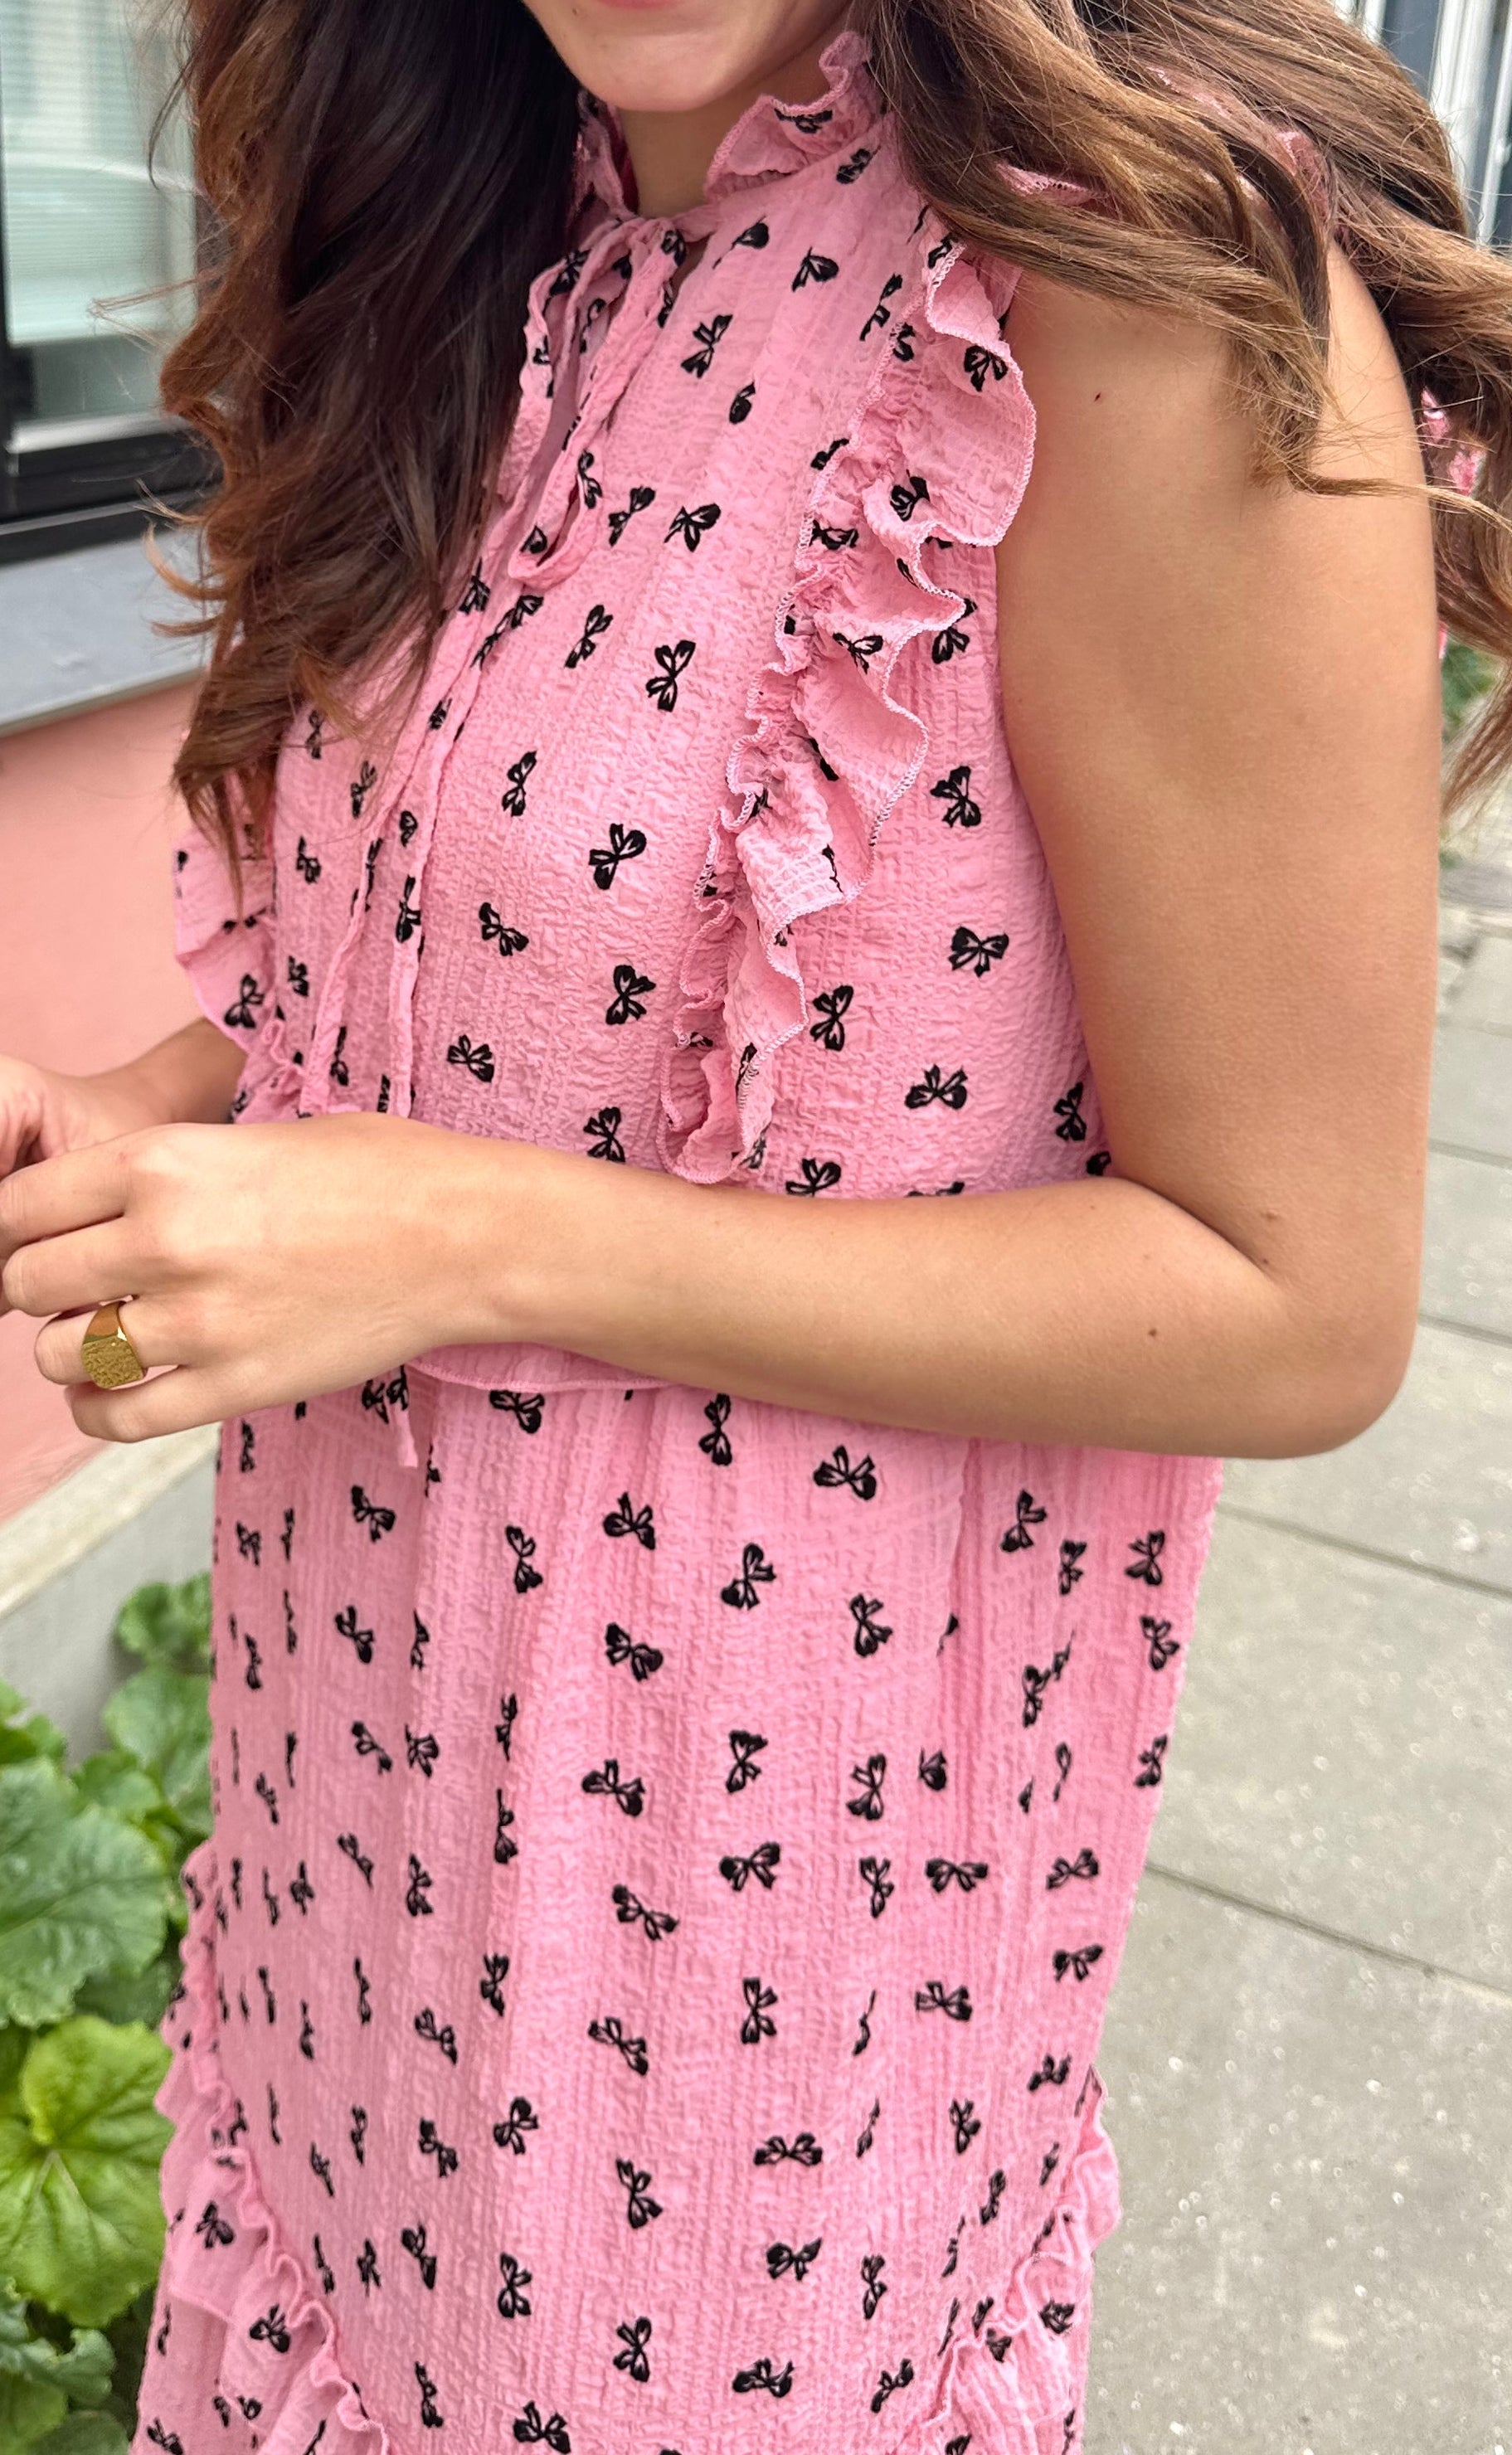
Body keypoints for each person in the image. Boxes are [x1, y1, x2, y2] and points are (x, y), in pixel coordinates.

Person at [0, 0, 1506, 2447]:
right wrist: (126, 1128)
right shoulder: (505, 216)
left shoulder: (1137, 290)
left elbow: (1292, 1294)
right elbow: (469, 965)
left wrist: (473, 1245)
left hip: (742, 1999)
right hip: (354, 1861)